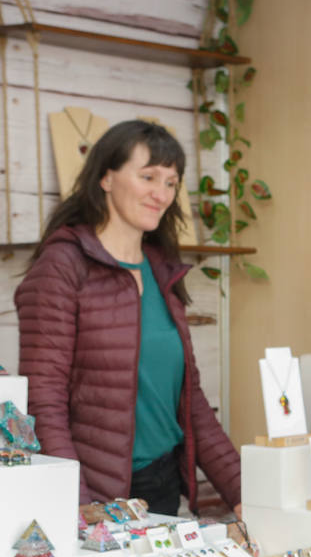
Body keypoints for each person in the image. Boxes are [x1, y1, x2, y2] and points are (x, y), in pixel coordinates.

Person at [14, 119, 240, 517]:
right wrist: (79, 506)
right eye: (148, 176)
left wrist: (242, 493)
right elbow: (43, 401)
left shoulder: (161, 269)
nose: (161, 194)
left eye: (171, 182)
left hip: (163, 486)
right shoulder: (63, 266)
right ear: (106, 177)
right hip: (97, 492)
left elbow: (190, 402)